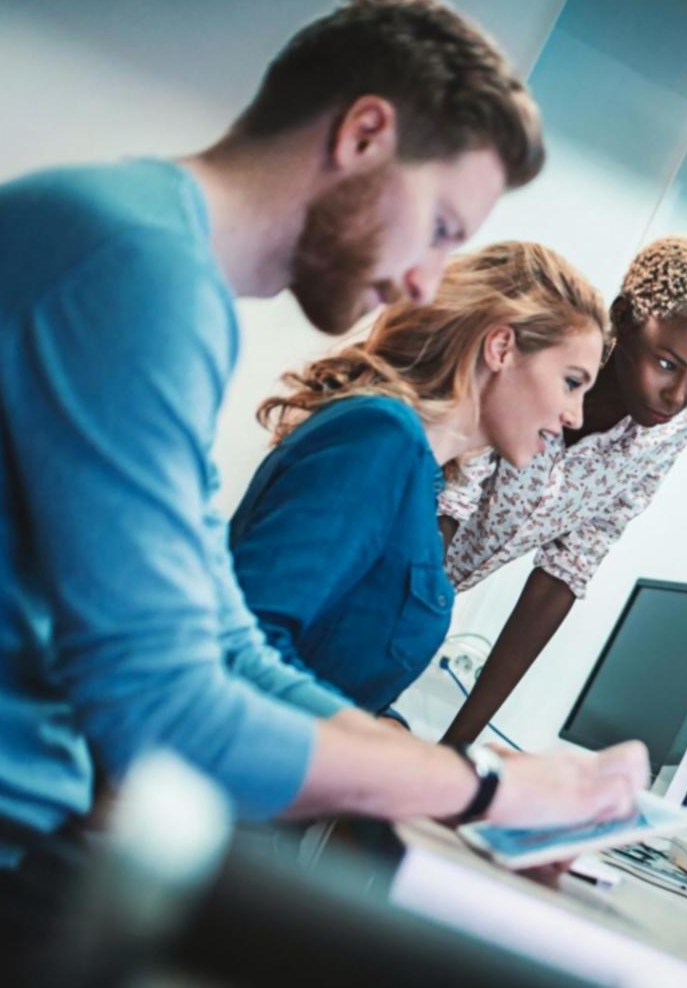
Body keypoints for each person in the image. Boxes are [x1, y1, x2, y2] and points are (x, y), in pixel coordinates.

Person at [0, 0, 644, 984]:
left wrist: (486, 785)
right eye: (437, 225)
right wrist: (484, 788)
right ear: (364, 135)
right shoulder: (128, 269)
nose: (430, 281)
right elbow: (167, 710)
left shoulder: (153, 268)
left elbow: (225, 643)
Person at [229, 242, 606, 725]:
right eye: (572, 382)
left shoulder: (421, 480)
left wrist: (392, 734)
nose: (573, 416)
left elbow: (338, 673)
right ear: (501, 348)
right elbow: (247, 643)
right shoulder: (381, 438)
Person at [436, 235, 687, 745]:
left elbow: (569, 566)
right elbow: (451, 498)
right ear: (622, 318)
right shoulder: (539, 355)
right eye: (667, 364)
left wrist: (456, 746)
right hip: (374, 571)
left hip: (413, 613)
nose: (677, 395)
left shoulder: (668, 430)